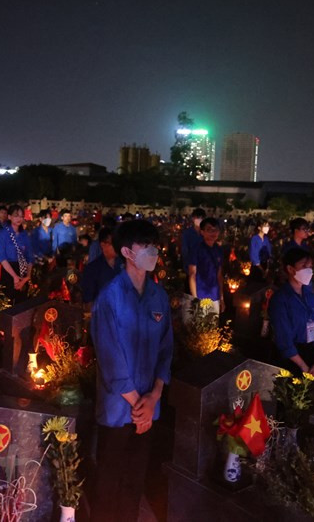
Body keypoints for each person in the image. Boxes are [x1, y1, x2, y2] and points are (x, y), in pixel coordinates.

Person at [90, 219, 173, 522]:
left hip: (149, 408)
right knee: (110, 480)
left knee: (135, 480)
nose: (153, 252)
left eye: (155, 246)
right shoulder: (109, 298)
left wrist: (154, 398)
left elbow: (166, 351)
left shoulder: (158, 296)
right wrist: (140, 404)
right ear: (126, 251)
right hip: (118, 408)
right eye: (146, 246)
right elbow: (111, 358)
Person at [269, 247, 314, 376]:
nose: (309, 270)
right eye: (304, 266)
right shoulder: (281, 299)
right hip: (291, 359)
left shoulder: (311, 296)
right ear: (290, 269)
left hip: (311, 354)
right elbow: (284, 337)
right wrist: (303, 367)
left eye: (310, 266)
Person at [186, 217, 225, 316]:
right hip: (201, 294)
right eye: (209, 230)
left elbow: (219, 275)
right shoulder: (196, 249)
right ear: (202, 232)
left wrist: (221, 298)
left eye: (215, 229)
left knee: (212, 328)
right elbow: (192, 274)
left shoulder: (219, 250)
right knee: (200, 327)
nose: (213, 232)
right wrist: (195, 299)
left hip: (214, 294)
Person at [0, 204, 34, 304]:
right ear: (9, 217)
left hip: (22, 270)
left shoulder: (25, 234)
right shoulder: (3, 234)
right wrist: (15, 277)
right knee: (7, 303)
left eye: (21, 216)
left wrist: (27, 276)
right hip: (8, 271)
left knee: (21, 303)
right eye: (16, 215)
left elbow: (30, 256)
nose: (19, 219)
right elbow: (1, 258)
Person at [80, 227, 122, 308]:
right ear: (103, 245)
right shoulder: (92, 269)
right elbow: (88, 300)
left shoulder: (125, 265)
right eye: (114, 244)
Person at [180, 208, 205, 276]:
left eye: (201, 218)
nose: (199, 220)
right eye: (197, 217)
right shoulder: (187, 233)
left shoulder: (206, 233)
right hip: (190, 267)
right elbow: (185, 251)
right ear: (193, 219)